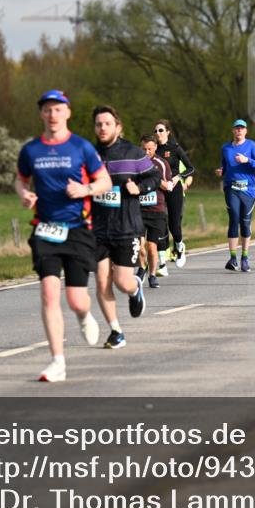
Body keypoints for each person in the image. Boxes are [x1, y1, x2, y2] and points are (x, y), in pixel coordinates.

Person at [15, 89, 113, 383]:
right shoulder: (31, 150)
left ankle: (84, 316)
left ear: (67, 113)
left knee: (76, 300)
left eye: (58, 109)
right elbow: (19, 179)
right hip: (45, 228)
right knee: (48, 292)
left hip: (78, 230)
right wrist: (24, 194)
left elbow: (105, 180)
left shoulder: (81, 148)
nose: (52, 115)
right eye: (47, 110)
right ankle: (57, 361)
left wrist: (85, 190)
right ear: (41, 114)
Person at [90, 106, 159, 349]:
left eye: (107, 123)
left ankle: (134, 288)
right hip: (98, 229)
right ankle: (116, 331)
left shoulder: (133, 153)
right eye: (98, 124)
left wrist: (139, 188)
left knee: (122, 281)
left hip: (126, 227)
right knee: (101, 281)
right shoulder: (89, 155)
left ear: (117, 127)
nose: (102, 128)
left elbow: (155, 177)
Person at [215, 119, 255, 272]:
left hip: (248, 190)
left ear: (246, 131)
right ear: (233, 131)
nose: (239, 131)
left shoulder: (252, 145)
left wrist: (247, 160)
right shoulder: (226, 148)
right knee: (234, 218)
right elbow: (224, 165)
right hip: (231, 188)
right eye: (237, 129)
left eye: (242, 129)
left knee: (245, 223)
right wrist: (221, 171)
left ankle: (244, 257)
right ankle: (232, 258)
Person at [154, 120, 195, 270]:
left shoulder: (175, 148)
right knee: (160, 223)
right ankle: (162, 262)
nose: (158, 133)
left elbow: (191, 168)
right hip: (159, 190)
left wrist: (178, 177)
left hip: (175, 189)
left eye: (160, 130)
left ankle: (179, 247)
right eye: (156, 131)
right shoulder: (154, 149)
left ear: (167, 132)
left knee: (174, 225)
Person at [138, 135, 171, 289]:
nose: (146, 152)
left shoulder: (162, 164)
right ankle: (141, 268)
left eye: (149, 149)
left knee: (152, 247)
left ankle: (152, 274)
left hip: (156, 210)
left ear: (155, 147)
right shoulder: (135, 163)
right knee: (139, 246)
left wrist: (155, 178)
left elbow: (169, 186)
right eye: (144, 149)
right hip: (138, 210)